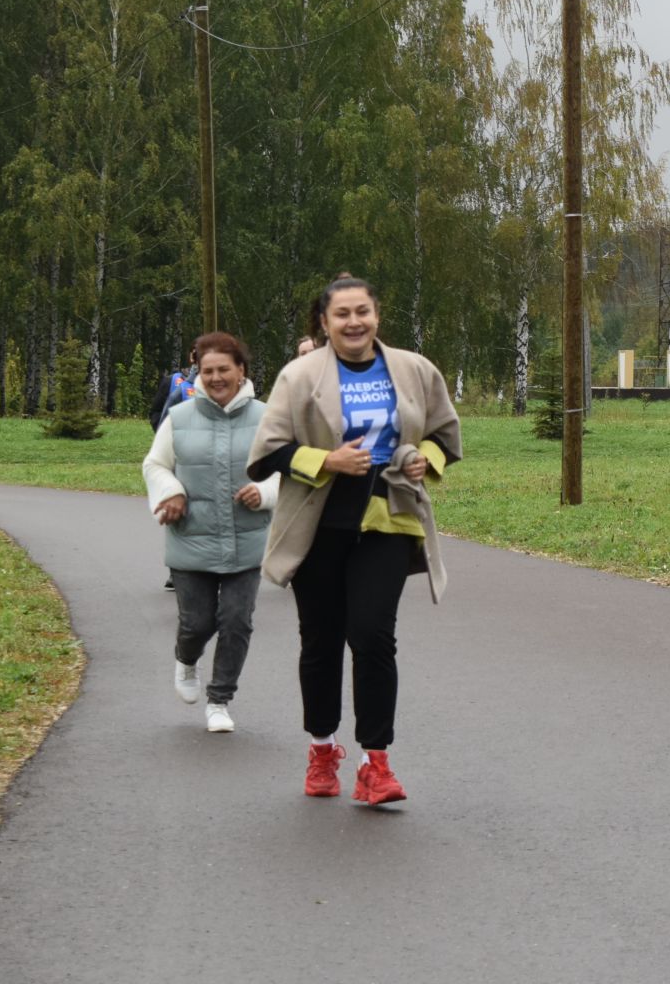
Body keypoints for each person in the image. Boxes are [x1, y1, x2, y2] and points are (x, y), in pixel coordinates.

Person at [247, 274, 461, 805]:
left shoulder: (412, 369)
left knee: (372, 636)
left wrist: (420, 461)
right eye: (341, 314)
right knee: (321, 641)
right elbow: (267, 453)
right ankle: (322, 748)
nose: (353, 322)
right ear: (324, 323)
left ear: (377, 315)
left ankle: (376, 763)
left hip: (386, 520)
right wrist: (327, 460)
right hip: (318, 526)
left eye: (362, 311)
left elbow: (444, 435)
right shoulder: (298, 377)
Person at [143, 332, 279, 734]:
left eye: (224, 369)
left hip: (247, 538)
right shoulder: (180, 418)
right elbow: (156, 465)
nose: (216, 377)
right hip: (192, 538)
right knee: (197, 624)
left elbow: (282, 471)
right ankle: (186, 660)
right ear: (198, 373)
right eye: (208, 371)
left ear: (242, 371)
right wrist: (173, 493)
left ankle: (219, 701)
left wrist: (265, 492)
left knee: (237, 621)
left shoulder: (267, 417)